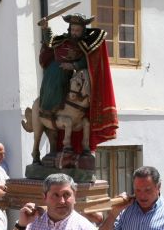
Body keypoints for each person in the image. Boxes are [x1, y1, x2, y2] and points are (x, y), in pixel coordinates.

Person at [37, 13, 117, 154]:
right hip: (53, 72)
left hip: (68, 74)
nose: (74, 33)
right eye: (73, 30)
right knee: (50, 90)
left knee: (77, 93)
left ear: (82, 31)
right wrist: (45, 28)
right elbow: (50, 41)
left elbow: (87, 61)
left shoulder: (84, 45)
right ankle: (47, 114)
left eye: (77, 30)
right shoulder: (62, 39)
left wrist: (74, 65)